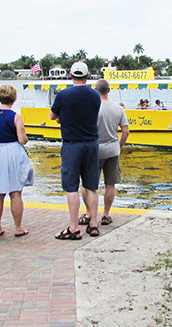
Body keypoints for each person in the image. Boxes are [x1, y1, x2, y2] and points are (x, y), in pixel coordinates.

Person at [50, 61, 101, 240]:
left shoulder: (63, 95)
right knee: (91, 186)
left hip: (72, 144)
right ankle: (94, 224)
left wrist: (63, 118)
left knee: (72, 187)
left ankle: (73, 228)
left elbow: (52, 116)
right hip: (92, 144)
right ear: (87, 76)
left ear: (70, 75)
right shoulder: (95, 95)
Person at [78, 79, 130, 228]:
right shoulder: (118, 108)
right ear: (109, 90)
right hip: (112, 149)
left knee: (88, 185)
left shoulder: (90, 108)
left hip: (93, 149)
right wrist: (118, 146)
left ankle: (89, 213)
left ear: (95, 90)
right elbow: (125, 131)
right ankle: (106, 215)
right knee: (110, 184)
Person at [0, 84, 33, 238]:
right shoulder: (15, 116)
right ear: (14, 98)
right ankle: (18, 227)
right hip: (13, 152)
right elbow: (22, 139)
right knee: (16, 192)